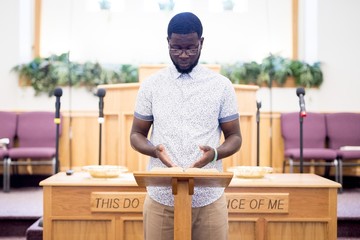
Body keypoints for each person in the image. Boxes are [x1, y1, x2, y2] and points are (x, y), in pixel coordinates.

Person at [130, 12, 242, 240]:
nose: (183, 55)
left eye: (191, 48)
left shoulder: (221, 86)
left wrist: (215, 154)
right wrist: (154, 151)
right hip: (162, 195)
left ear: (201, 42)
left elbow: (235, 137)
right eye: (176, 48)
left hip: (208, 195)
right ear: (167, 42)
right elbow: (136, 134)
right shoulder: (152, 85)